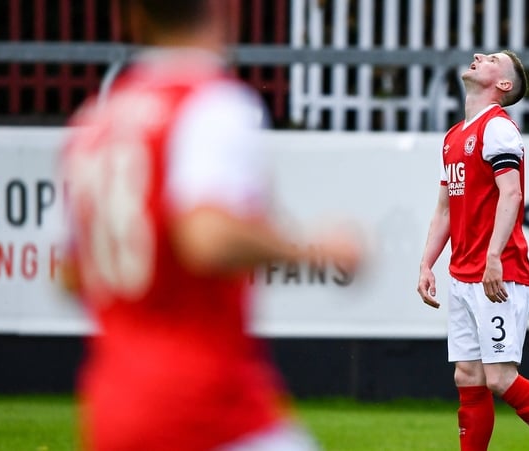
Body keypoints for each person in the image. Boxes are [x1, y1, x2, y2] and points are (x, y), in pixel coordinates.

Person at [59, 1, 361, 450]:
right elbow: (208, 236)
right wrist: (313, 249)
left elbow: (67, 274)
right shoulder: (211, 101)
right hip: (204, 406)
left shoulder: (95, 122)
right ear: (224, 12)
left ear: (132, 19)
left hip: (111, 408)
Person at [416, 50, 529, 451]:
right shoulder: (454, 136)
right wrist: (427, 263)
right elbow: (444, 208)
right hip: (462, 274)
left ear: (503, 85)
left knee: (499, 377)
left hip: (499, 272)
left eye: (491, 59)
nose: (478, 56)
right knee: (468, 375)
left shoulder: (498, 129)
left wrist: (493, 256)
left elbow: (511, 193)